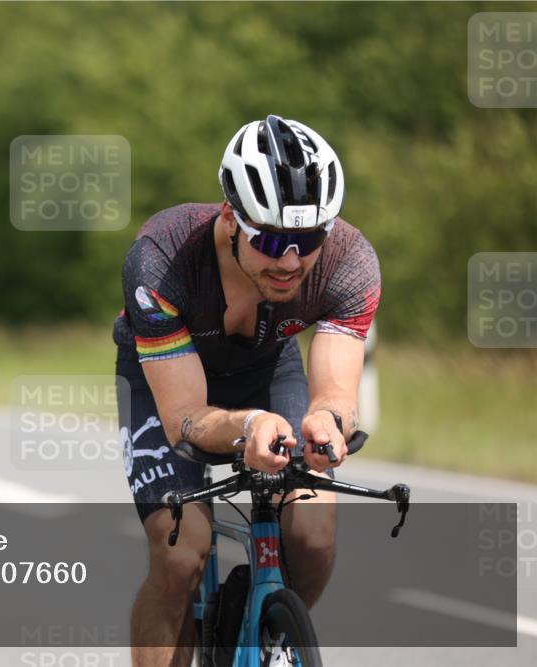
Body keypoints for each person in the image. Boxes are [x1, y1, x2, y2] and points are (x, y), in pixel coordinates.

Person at [113, 115, 380, 666]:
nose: (290, 261)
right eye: (274, 240)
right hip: (168, 377)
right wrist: (247, 425)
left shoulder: (350, 262)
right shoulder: (162, 258)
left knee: (313, 534)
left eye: (308, 240)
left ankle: (265, 635)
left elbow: (334, 391)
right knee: (182, 553)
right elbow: (184, 417)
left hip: (266, 364)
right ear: (231, 216)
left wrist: (327, 420)